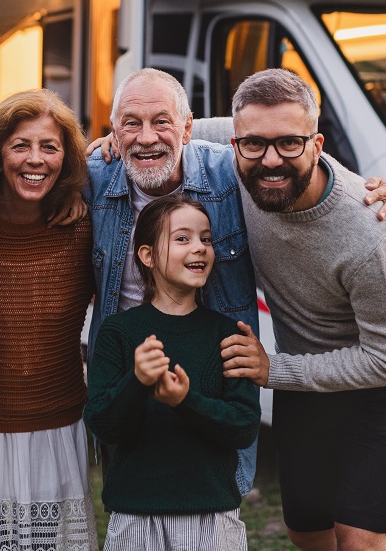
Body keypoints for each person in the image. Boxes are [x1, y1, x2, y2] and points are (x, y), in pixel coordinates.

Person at [86, 68, 386, 496]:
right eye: (130, 123)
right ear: (114, 129)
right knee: (133, 504)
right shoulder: (91, 178)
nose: (146, 137)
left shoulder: (231, 173)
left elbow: (290, 147)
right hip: (131, 373)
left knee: (215, 509)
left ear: (186, 128)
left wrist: (366, 189)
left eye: (162, 122)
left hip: (216, 379)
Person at [218, 68, 386, 551]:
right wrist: (107, 144)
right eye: (253, 144)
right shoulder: (239, 149)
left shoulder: (367, 231)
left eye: (289, 144)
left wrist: (274, 369)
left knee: (358, 540)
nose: (270, 160)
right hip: (310, 365)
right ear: (235, 143)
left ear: (316, 145)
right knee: (307, 531)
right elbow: (171, 132)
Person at [0, 88, 98, 550]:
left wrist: (115, 136)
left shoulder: (82, 226)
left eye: (50, 147)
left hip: (57, 428)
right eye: (20, 145)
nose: (35, 159)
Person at [85, 194, 260, 550]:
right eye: (182, 238)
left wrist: (185, 401)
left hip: (209, 515)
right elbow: (103, 425)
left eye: (206, 239)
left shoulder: (227, 334)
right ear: (147, 255)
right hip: (136, 514)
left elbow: (244, 427)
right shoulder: (119, 332)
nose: (199, 248)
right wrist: (138, 381)